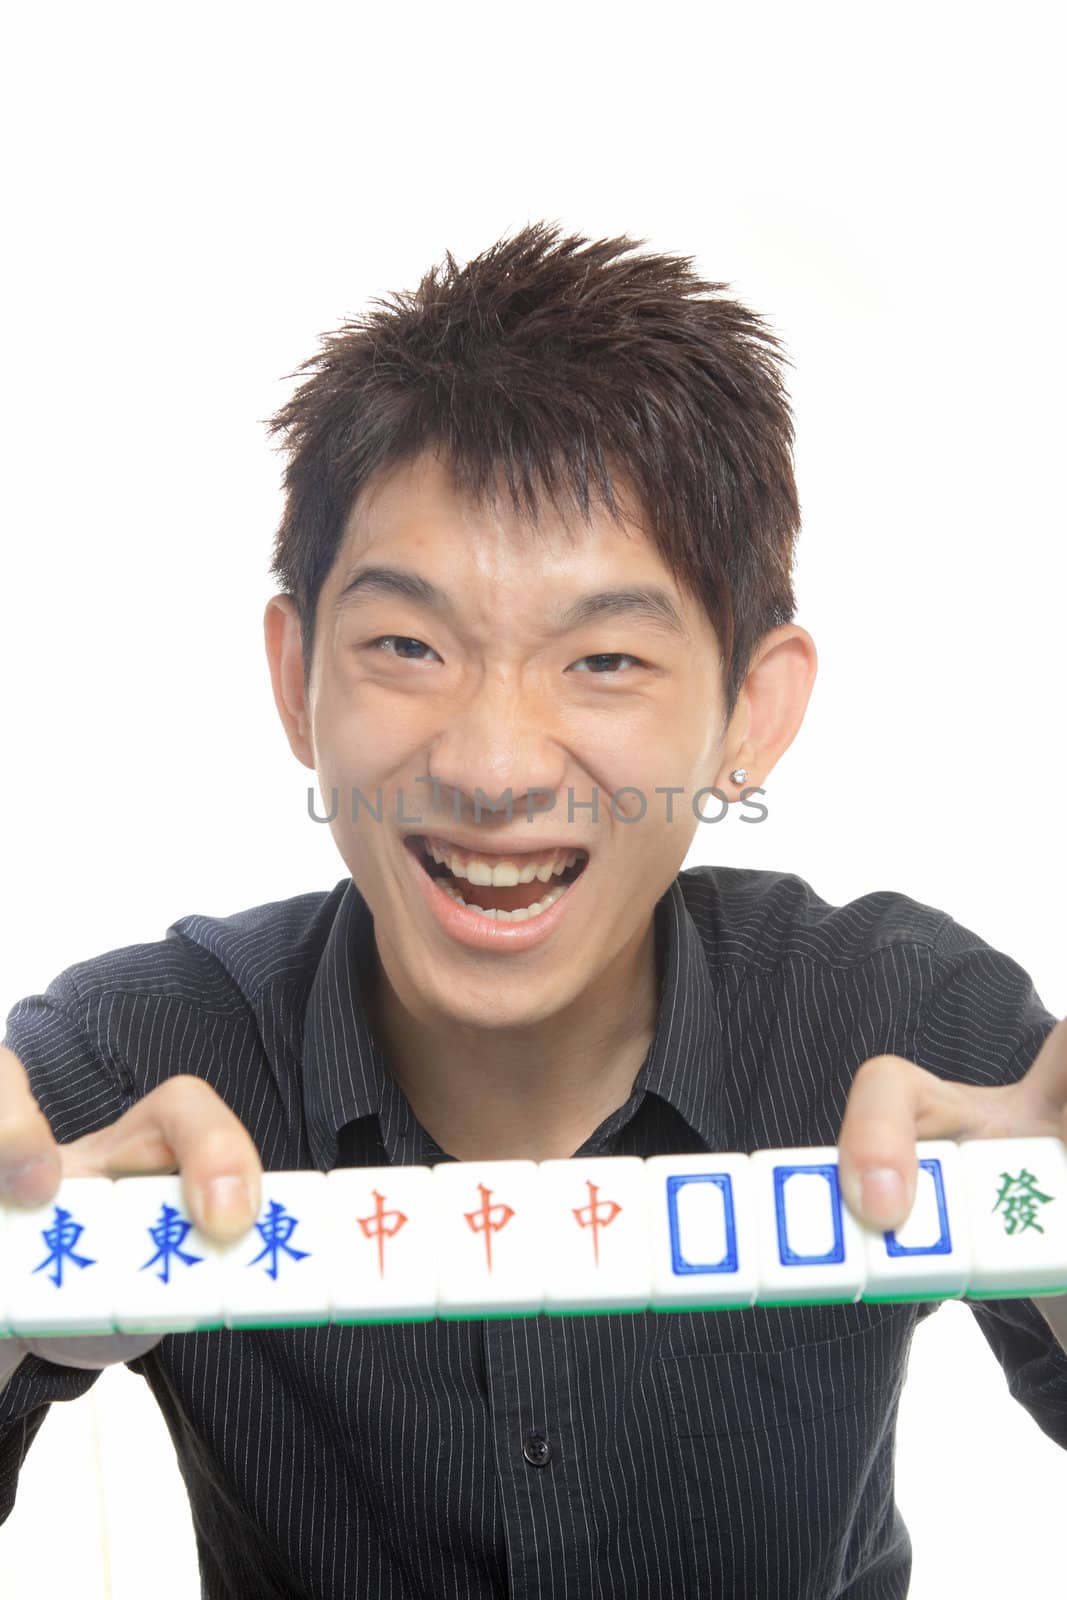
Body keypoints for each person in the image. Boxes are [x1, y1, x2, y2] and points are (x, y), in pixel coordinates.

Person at [1, 220, 1064, 1599]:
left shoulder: (910, 1025)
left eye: (605, 657)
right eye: (406, 646)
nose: (493, 767)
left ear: (754, 710)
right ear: (294, 675)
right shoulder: (136, 1061)